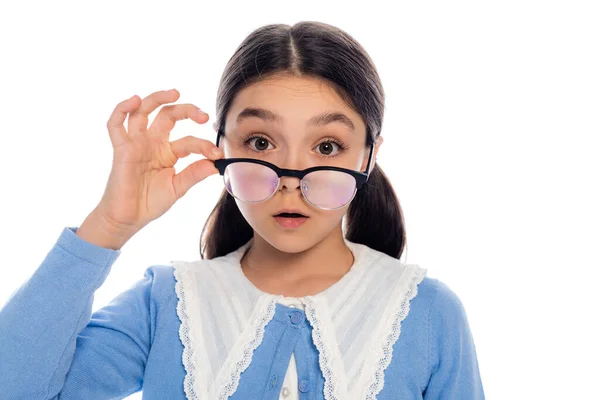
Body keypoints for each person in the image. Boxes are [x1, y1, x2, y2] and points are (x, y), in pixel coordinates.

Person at [0, 21, 485, 399]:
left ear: (369, 156)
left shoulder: (428, 312)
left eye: (328, 146)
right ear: (221, 148)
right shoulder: (165, 303)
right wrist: (109, 224)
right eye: (260, 141)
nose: (291, 180)